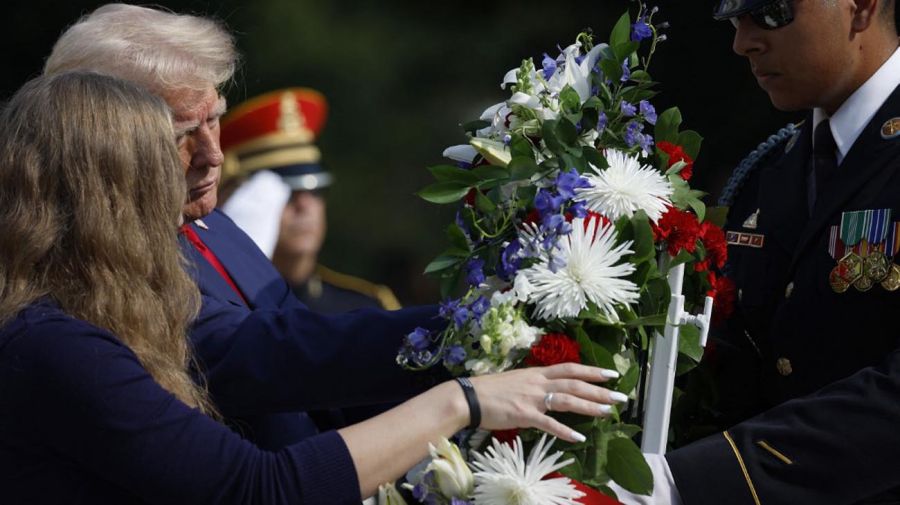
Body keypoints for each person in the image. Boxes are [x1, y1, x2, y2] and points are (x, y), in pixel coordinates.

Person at [0, 71, 625, 504]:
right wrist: (465, 398)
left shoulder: (65, 324)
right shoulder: (54, 345)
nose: (191, 205)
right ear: (105, 197)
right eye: (158, 168)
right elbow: (258, 490)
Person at [41, 3, 441, 451]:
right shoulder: (93, 258)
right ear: (102, 138)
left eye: (214, 120)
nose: (214, 153)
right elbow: (265, 356)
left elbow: (314, 370)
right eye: (181, 135)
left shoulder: (212, 224)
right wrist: (456, 334)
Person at [614, 0, 900, 503]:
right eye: (735, 19)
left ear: (861, 7)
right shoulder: (770, 171)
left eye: (770, 14)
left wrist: (690, 482)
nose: (743, 42)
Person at [218, 87, 402, 314]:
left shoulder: (366, 307)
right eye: (285, 192)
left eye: (315, 190)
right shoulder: (210, 305)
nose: (304, 204)